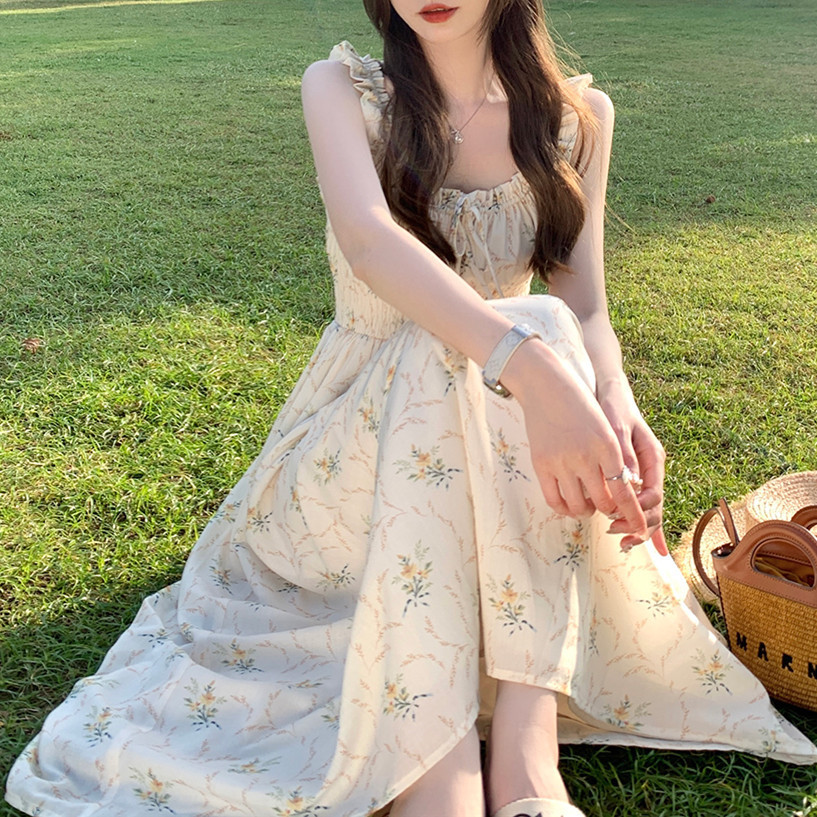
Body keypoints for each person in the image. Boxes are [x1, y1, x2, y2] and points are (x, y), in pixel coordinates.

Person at [6, 1, 817, 816]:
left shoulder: (579, 121)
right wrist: (534, 370)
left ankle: (526, 754)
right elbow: (371, 245)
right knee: (500, 332)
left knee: (537, 325)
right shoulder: (342, 92)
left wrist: (615, 403)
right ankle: (439, 769)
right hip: (352, 454)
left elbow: (586, 306)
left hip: (504, 456)